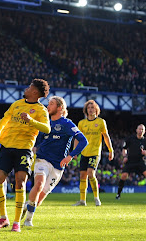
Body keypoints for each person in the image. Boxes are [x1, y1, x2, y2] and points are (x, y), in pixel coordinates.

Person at [0, 78, 51, 233]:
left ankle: (17, 221)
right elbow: (4, 120)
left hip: (24, 149)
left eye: (30, 86)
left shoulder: (41, 110)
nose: (27, 88)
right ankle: (4, 217)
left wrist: (31, 120)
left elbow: (47, 129)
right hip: (7, 146)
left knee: (20, 182)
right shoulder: (16, 104)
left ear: (35, 91)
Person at [21, 96, 88, 226]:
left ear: (60, 108)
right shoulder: (45, 123)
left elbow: (83, 141)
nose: (48, 106)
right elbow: (37, 141)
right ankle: (28, 220)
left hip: (58, 166)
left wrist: (71, 156)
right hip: (42, 159)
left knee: (39, 199)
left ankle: (27, 205)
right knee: (39, 184)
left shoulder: (67, 124)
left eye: (51, 104)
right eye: (48, 104)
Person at [72, 100, 114, 207]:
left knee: (90, 173)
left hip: (95, 152)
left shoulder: (101, 122)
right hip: (84, 152)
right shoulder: (81, 123)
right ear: (86, 110)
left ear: (96, 109)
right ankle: (82, 200)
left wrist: (111, 150)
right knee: (82, 175)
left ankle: (96, 198)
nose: (90, 109)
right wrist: (74, 151)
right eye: (88, 108)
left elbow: (106, 136)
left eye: (92, 107)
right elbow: (77, 138)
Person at [116, 124, 146, 200]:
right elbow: (124, 149)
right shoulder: (130, 139)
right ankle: (118, 194)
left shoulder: (145, 141)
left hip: (140, 161)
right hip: (130, 161)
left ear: (144, 131)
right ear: (136, 130)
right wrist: (125, 156)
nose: (140, 131)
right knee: (123, 176)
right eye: (139, 129)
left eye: (142, 129)